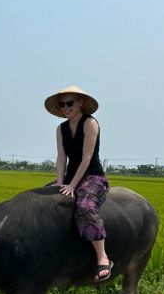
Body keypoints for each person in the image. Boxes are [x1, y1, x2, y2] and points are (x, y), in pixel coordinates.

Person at [44, 85, 113, 282]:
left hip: (92, 176)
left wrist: (72, 186)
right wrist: (59, 183)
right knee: (44, 196)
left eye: (70, 103)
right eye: (62, 104)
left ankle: (103, 257)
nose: (66, 107)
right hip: (69, 178)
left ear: (81, 103)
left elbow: (87, 157)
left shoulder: (90, 123)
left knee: (85, 206)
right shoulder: (61, 128)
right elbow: (61, 157)